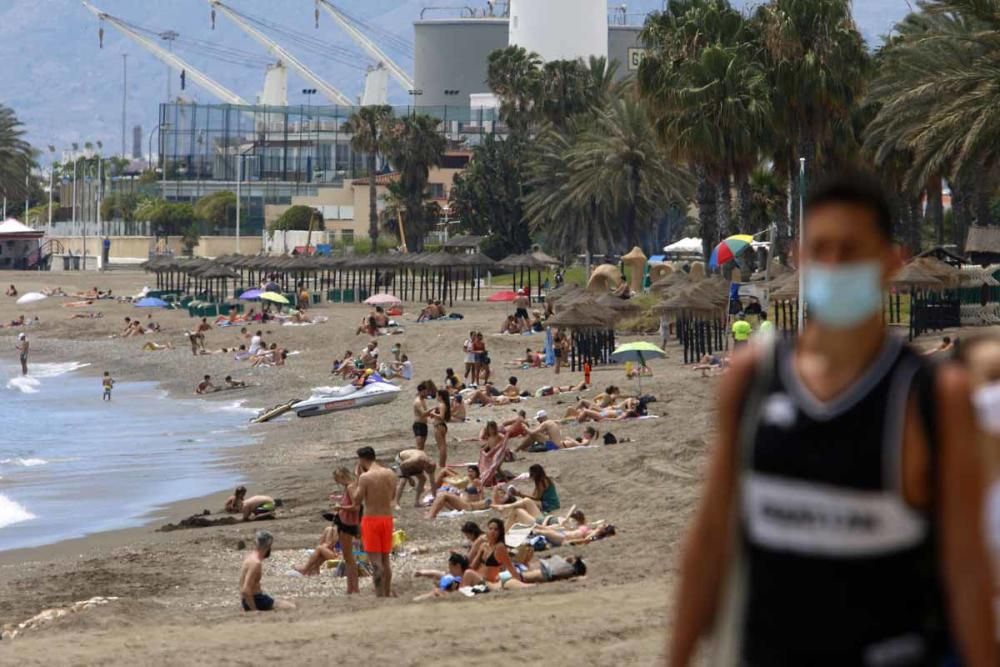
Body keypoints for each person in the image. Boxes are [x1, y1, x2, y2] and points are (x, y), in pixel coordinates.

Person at [668, 172, 996, 666]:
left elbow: (966, 567)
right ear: (800, 259)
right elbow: (710, 541)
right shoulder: (752, 380)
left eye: (852, 250)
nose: (835, 264)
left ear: (890, 262)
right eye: (822, 249)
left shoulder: (929, 398)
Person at [354, 446, 397, 597]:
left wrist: (358, 476)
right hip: (387, 518)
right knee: (386, 560)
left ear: (362, 460)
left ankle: (379, 595)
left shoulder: (365, 477)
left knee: (376, 562)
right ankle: (387, 592)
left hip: (371, 519)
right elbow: (393, 496)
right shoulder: (390, 473)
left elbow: (357, 500)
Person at [464, 518, 532, 590]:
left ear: (500, 533)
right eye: (490, 529)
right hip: (482, 579)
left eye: (496, 530)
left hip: (491, 583)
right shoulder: (483, 546)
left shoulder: (499, 547)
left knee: (468, 574)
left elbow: (510, 567)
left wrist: (517, 579)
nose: (492, 531)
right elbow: (473, 566)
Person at [239, 530, 294, 612]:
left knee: (282, 603)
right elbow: (246, 590)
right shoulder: (255, 563)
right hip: (256, 600)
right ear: (268, 545)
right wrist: (254, 610)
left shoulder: (250, 558)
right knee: (291, 607)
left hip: (251, 599)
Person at [330, 467, 361, 594]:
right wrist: (339, 499)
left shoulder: (350, 487)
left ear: (342, 476)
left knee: (348, 558)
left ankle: (353, 588)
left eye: (338, 479)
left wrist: (340, 507)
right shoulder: (352, 486)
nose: (338, 482)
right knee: (348, 557)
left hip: (347, 523)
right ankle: (351, 587)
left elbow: (356, 506)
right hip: (347, 522)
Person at [430, 389, 451, 468]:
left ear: (440, 396)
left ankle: (442, 464)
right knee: (442, 446)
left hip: (439, 426)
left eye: (437, 395)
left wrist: (433, 413)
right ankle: (442, 463)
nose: (436, 397)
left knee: (442, 447)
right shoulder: (442, 404)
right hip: (440, 425)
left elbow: (441, 416)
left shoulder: (442, 405)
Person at [412, 382, 431, 451]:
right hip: (418, 425)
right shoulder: (418, 402)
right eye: (425, 392)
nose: (427, 394)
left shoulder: (423, 400)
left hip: (423, 424)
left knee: (422, 446)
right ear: (421, 392)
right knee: (419, 446)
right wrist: (432, 410)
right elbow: (423, 413)